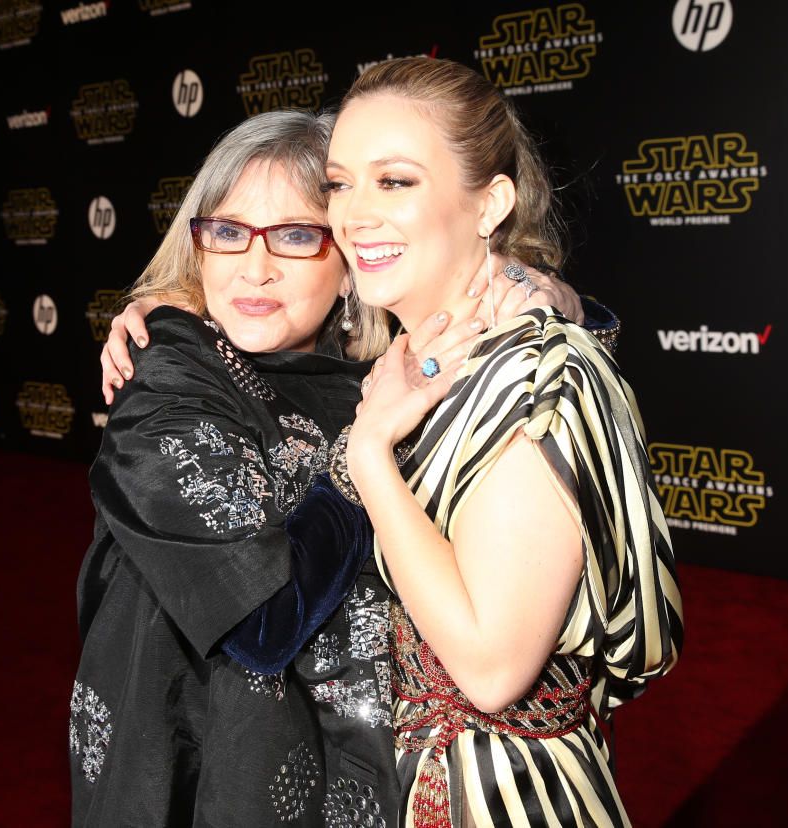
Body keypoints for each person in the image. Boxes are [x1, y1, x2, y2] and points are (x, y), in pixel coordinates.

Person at [71, 108, 572, 827]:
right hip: (208, 784)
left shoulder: (376, 374)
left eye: (298, 236)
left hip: (359, 778)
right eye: (229, 233)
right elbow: (262, 620)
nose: (255, 268)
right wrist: (362, 454)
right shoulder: (167, 381)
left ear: (351, 263)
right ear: (199, 245)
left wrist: (540, 289)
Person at [325, 58, 683, 827]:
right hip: (410, 779)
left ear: (489, 204)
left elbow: (490, 667)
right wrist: (163, 310)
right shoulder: (404, 355)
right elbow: (251, 243)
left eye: (395, 181)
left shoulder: (534, 379)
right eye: (338, 183)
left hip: (504, 795)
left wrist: (367, 458)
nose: (352, 215)